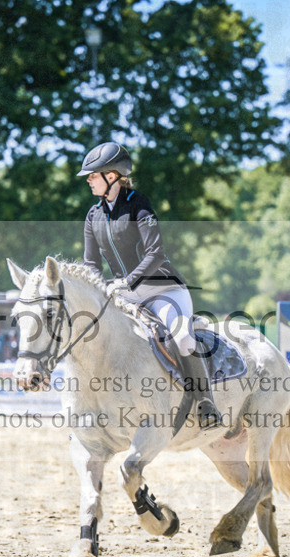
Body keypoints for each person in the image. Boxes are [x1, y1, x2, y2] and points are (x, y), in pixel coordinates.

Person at [77, 140, 222, 429]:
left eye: (93, 175)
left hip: (163, 289)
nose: (89, 181)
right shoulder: (93, 216)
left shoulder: (138, 205)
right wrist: (95, 290)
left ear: (112, 175)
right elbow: (91, 264)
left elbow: (156, 254)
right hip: (125, 295)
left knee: (182, 338)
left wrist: (126, 282)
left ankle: (205, 403)